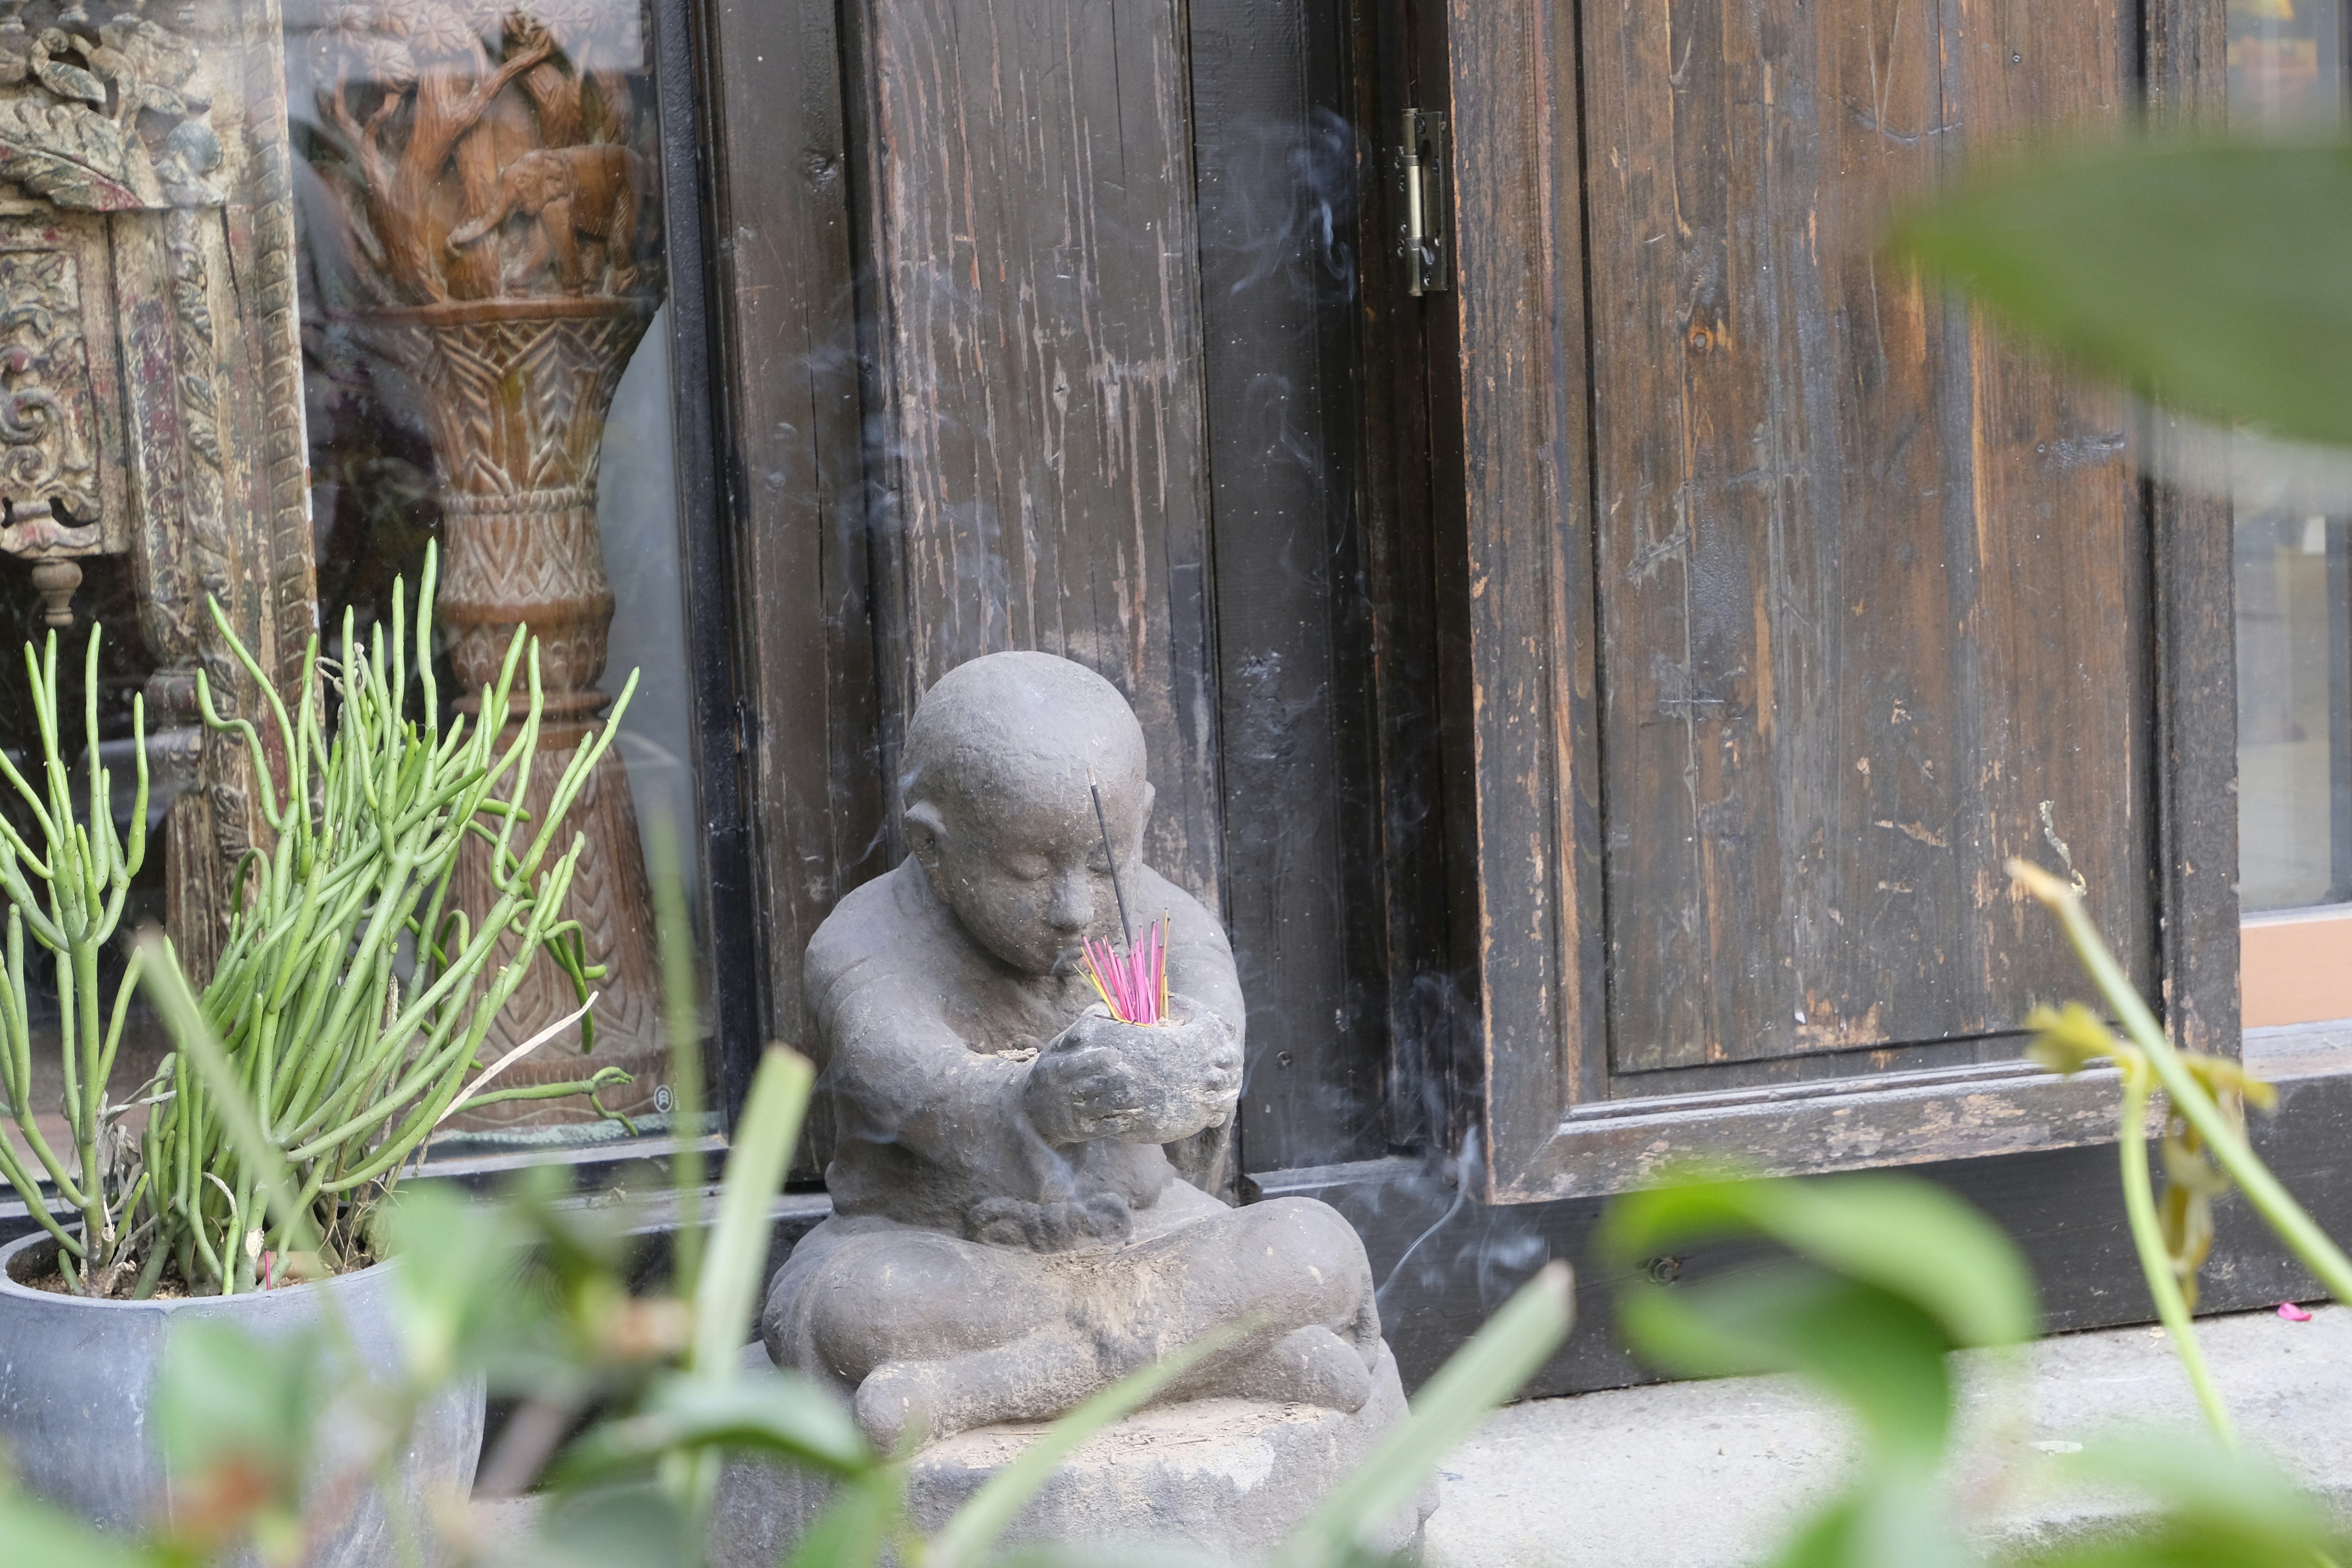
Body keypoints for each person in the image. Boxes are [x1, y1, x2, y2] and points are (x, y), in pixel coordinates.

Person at [761, 652, 1385, 1449]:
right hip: (955, 1261)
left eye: (1103, 862)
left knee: (1314, 1248)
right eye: (1026, 870)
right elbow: (914, 1087)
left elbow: (1211, 1034)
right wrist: (1033, 1103)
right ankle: (1224, 1359)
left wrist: (1194, 1070)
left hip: (1150, 1242)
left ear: (1144, 817)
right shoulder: (862, 946)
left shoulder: (1168, 921)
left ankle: (977, 1393)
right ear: (933, 846)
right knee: (860, 1307)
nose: (1074, 907)